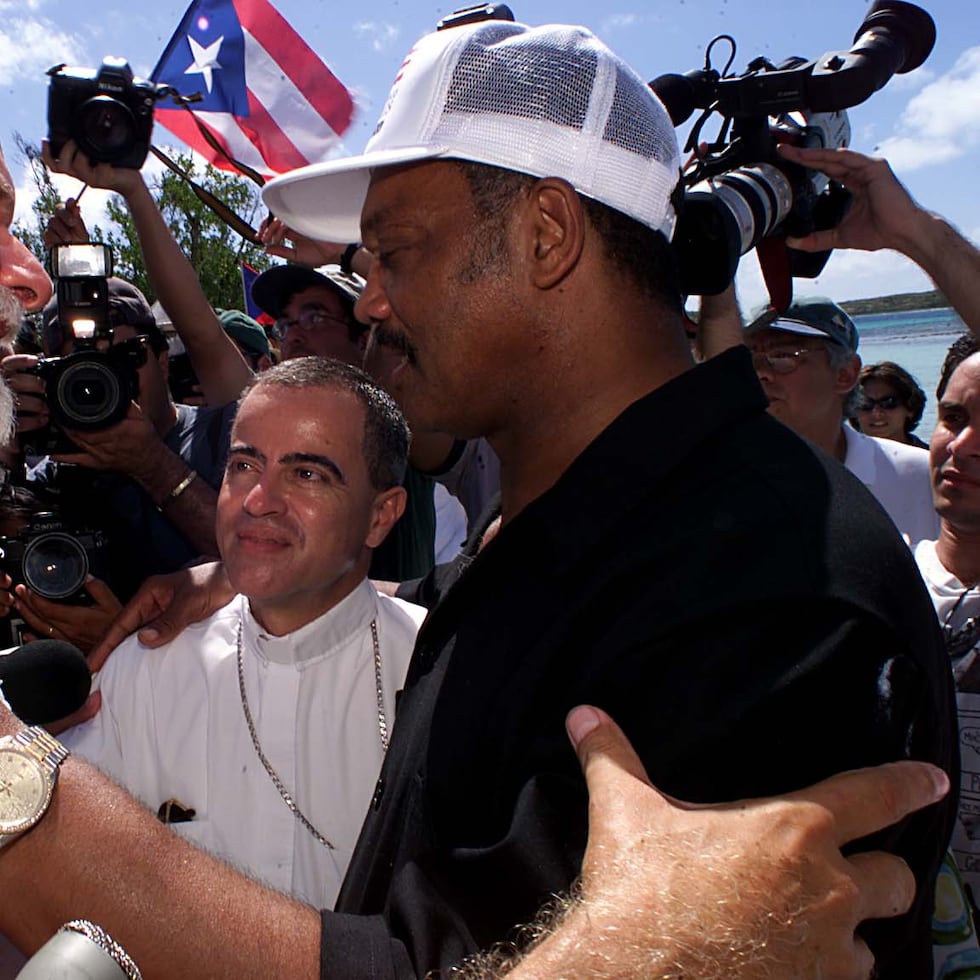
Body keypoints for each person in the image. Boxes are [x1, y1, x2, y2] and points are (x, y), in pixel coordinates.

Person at [0, 21, 956, 978]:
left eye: (396, 252)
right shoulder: (588, 526)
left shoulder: (768, 592)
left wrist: (17, 802)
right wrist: (248, 575)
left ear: (547, 235)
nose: (370, 302)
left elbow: (442, 965)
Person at [62, 357, 424, 910]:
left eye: (307, 475)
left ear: (381, 516)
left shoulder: (436, 675)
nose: (259, 501)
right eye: (244, 466)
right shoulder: (149, 667)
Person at [744, 294, 939, 545]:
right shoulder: (719, 482)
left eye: (783, 355)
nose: (761, 372)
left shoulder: (921, 478)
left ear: (845, 374)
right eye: (749, 357)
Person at [851, 360, 929, 448]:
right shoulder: (843, 455)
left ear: (910, 409)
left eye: (888, 402)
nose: (876, 413)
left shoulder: (930, 456)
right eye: (865, 403)